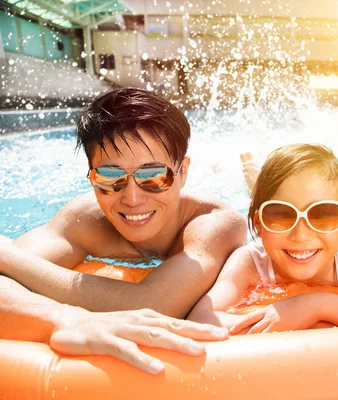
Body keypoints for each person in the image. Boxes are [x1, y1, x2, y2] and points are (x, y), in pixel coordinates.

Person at [0, 88, 247, 373]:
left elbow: (154, 305)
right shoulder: (84, 220)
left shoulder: (215, 223)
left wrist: (8, 255)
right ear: (91, 176)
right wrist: (62, 318)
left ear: (183, 172)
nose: (131, 198)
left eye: (153, 176)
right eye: (110, 177)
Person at [188, 144, 338, 333]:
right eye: (280, 214)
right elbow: (202, 319)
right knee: (263, 194)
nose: (301, 235)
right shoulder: (251, 262)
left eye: (323, 214)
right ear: (258, 224)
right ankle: (254, 177)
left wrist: (316, 306)